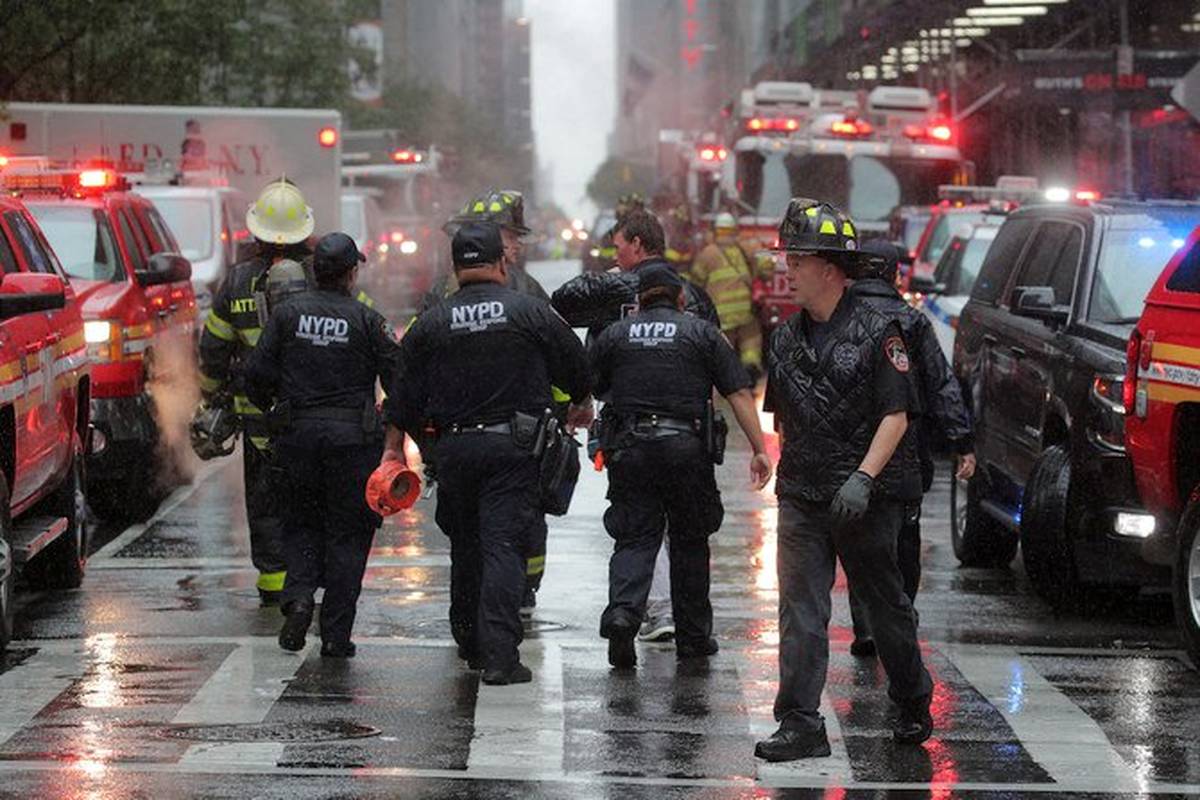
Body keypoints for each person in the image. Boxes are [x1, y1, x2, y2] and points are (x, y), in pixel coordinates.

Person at [755, 198, 933, 763]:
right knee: (800, 610)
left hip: (864, 499)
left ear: (830, 268)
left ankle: (912, 696)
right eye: (787, 258)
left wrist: (863, 477)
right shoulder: (785, 338)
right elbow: (782, 416)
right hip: (803, 495)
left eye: (798, 260)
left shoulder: (881, 331)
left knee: (884, 608)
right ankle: (800, 723)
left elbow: (896, 415)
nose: (787, 269)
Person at [383, 222, 593, 685]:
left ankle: (469, 642)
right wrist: (579, 401)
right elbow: (577, 367)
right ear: (501, 262)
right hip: (514, 451)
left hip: (455, 452)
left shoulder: (433, 321)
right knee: (503, 546)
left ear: (455, 268)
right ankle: (499, 657)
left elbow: (401, 394)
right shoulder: (529, 311)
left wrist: (397, 449)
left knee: (466, 545)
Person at [589, 263, 772, 669]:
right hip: (686, 451)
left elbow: (594, 386)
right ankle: (693, 637)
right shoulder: (702, 333)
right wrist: (759, 448)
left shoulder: (615, 334)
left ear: (639, 301)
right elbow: (739, 393)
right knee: (690, 540)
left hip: (631, 449)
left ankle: (623, 615)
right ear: (682, 298)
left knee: (634, 538)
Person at [552, 208, 721, 644]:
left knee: (639, 525)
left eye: (618, 247)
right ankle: (682, 622)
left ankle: (652, 609)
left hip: (627, 427)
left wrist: (607, 280)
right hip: (687, 430)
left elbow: (562, 303)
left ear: (638, 245)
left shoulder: (613, 291)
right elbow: (716, 358)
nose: (614, 255)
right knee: (684, 530)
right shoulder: (694, 295)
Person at [243, 232, 402, 657]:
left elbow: (255, 375)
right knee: (349, 535)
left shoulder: (286, 316)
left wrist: (274, 409)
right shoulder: (368, 320)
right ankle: (335, 635)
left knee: (300, 524)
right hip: (353, 445)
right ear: (351, 274)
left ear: (315, 272)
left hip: (297, 440)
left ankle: (298, 600)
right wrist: (392, 432)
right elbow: (399, 382)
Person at [419, 189, 554, 616]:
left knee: (482, 528)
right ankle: (512, 598)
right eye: (511, 236)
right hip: (511, 437)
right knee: (508, 524)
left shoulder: (446, 292)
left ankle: (503, 599)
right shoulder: (526, 293)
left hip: (462, 436)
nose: (518, 246)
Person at [843, 240, 977, 656]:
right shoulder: (912, 323)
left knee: (858, 540)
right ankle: (898, 618)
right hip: (903, 452)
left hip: (848, 453)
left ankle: (866, 626)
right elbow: (941, 383)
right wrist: (961, 441)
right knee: (903, 539)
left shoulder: (836, 317)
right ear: (895, 275)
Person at [197, 177, 315, 605]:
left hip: (258, 418)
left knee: (266, 500)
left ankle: (273, 583)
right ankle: (307, 576)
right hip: (311, 417)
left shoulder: (237, 281)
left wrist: (211, 396)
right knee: (309, 496)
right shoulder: (321, 276)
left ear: (257, 232)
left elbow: (213, 349)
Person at [688, 212, 773, 381]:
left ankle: (726, 379)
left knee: (724, 348)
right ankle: (750, 368)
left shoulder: (708, 253)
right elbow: (766, 267)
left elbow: (695, 284)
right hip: (745, 310)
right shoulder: (745, 248)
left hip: (720, 313)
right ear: (734, 230)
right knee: (751, 339)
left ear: (716, 231)